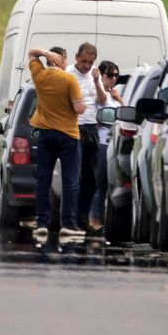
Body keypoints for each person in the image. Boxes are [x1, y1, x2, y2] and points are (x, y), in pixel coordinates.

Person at [28, 46, 87, 240]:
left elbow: (31, 52)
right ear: (63, 59)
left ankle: (42, 222)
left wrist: (44, 53)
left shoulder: (39, 76)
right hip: (68, 134)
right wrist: (81, 103)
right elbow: (79, 108)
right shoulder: (70, 79)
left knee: (43, 179)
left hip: (45, 134)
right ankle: (68, 224)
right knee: (70, 180)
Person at [65, 43, 106, 228]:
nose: (87, 66)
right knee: (75, 176)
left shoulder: (94, 74)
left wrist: (98, 82)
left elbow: (103, 101)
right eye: (84, 61)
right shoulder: (68, 74)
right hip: (74, 127)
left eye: (90, 62)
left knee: (91, 177)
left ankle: (83, 218)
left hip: (91, 127)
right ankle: (70, 218)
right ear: (76, 57)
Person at [89, 60, 124, 232]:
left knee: (106, 184)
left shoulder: (114, 95)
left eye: (116, 75)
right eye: (110, 75)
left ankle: (97, 218)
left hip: (114, 143)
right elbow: (101, 107)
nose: (114, 78)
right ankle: (93, 220)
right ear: (102, 75)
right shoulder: (100, 93)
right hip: (102, 142)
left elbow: (126, 115)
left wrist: (120, 98)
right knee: (99, 183)